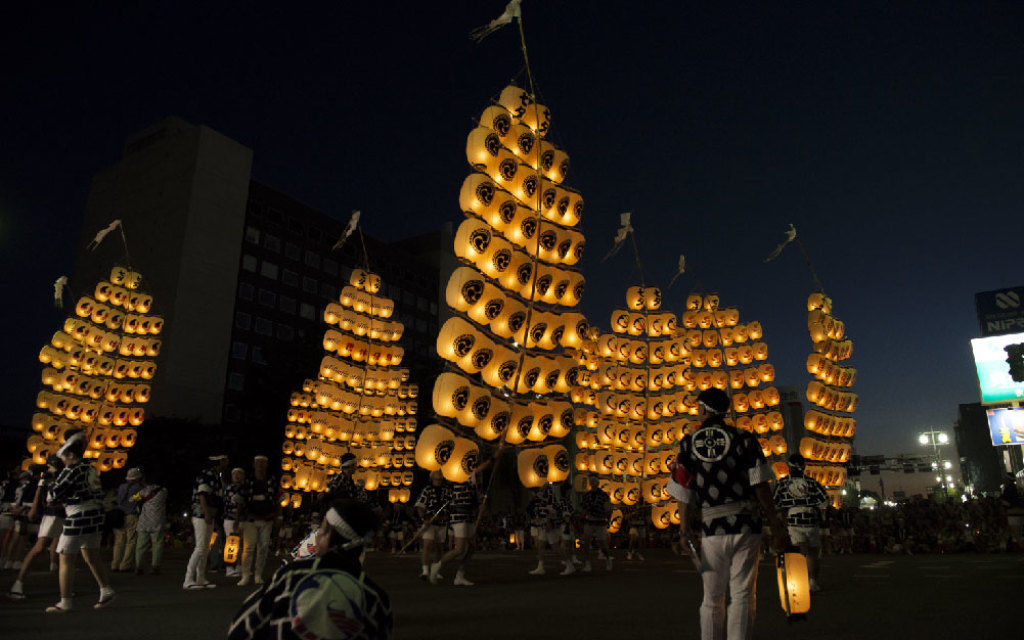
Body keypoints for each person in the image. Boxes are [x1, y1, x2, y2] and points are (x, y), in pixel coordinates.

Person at [670, 388, 788, 640]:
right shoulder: (744, 439)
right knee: (743, 594)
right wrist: (776, 525)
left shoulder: (688, 443)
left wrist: (683, 529)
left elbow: (683, 490)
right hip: (746, 525)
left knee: (712, 597)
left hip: (712, 528)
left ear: (703, 409)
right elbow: (760, 486)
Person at [228, 499, 392, 640]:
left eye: (322, 528)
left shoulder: (291, 576)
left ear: (330, 533)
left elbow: (243, 629)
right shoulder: (375, 597)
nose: (318, 535)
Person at [43, 430, 116, 612]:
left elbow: (53, 496)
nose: (62, 460)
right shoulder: (90, 468)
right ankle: (106, 589)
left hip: (78, 515)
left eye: (64, 456)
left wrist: (50, 480)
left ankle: (65, 601)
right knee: (91, 556)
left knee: (66, 560)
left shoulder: (71, 470)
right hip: (96, 516)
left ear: (70, 454)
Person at [428, 453, 496, 586]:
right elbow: (479, 469)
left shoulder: (471, 478)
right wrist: (493, 457)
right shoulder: (454, 475)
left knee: (471, 547)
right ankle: (437, 565)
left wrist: (480, 502)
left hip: (469, 515)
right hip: (458, 514)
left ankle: (460, 575)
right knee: (459, 548)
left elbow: (475, 494)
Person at [9, 455, 64, 600]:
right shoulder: (48, 477)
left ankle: (65, 587)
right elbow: (40, 493)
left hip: (62, 513)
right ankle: (18, 583)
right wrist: (34, 509)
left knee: (65, 551)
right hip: (53, 513)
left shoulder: (59, 476)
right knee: (39, 548)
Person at [773, 453, 830, 592]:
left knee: (798, 553)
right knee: (813, 554)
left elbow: (775, 502)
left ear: (789, 467)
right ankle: (812, 582)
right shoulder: (812, 482)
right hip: (811, 520)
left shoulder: (783, 483)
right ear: (804, 466)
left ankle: (796, 583)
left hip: (793, 520)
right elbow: (825, 501)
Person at [184, 454, 228, 590]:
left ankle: (200, 577)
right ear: (220, 461)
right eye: (225, 460)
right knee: (201, 547)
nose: (227, 462)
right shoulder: (208, 474)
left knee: (204, 547)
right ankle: (188, 579)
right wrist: (206, 512)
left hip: (208, 513)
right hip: (201, 514)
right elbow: (202, 494)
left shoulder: (215, 475)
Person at [238, 455, 280, 587]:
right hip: (250, 518)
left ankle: (258, 574)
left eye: (263, 463)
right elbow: (240, 500)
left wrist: (279, 516)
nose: (260, 465)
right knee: (248, 548)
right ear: (254, 464)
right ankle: (245, 575)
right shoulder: (247, 481)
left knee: (263, 548)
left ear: (266, 465)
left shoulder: (272, 480)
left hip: (267, 518)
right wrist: (237, 519)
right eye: (258, 463)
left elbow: (279, 500)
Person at [414, 470, 451, 580]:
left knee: (439, 547)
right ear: (432, 476)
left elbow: (450, 505)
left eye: (440, 472)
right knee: (427, 545)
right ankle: (425, 571)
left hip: (442, 522)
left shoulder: (447, 490)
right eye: (436, 472)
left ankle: (436, 570)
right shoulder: (427, 490)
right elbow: (420, 505)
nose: (439, 474)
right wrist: (423, 518)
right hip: (429, 522)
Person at [111, 467, 145, 573]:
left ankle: (115, 564)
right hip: (131, 515)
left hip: (119, 515)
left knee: (119, 541)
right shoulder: (139, 488)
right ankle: (125, 565)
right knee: (131, 541)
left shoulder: (121, 487)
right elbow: (139, 499)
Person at [133, 471, 167, 574]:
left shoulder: (144, 491)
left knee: (141, 546)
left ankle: (139, 566)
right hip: (157, 522)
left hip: (144, 521)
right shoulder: (164, 491)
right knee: (157, 544)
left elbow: (133, 499)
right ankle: (155, 566)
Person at [577, 476, 613, 572]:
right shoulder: (587, 495)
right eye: (591, 481)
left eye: (594, 481)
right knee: (586, 542)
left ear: (597, 483)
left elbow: (609, 509)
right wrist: (581, 518)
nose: (592, 483)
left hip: (600, 521)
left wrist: (608, 520)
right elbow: (583, 508)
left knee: (602, 543)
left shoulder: (604, 495)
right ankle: (587, 564)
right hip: (589, 520)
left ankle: (608, 559)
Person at [223, 467, 246, 578]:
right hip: (231, 519)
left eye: (239, 474)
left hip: (242, 520)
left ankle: (238, 567)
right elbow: (238, 503)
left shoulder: (245, 488)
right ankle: (229, 568)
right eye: (235, 474)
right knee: (231, 544)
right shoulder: (230, 488)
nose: (237, 476)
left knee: (241, 545)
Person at [1001, 472, 1024, 548]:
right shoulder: (1018, 488)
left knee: (1017, 534)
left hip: (1013, 512)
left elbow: (1006, 503)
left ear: (1008, 479)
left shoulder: (1008, 489)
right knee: (1019, 533)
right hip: (1021, 512)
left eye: (1005, 478)